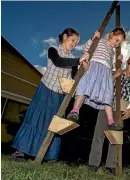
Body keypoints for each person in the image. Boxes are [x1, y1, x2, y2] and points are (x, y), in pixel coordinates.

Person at [11, 28, 89, 162]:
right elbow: (58, 62)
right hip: (46, 89)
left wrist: (84, 71)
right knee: (35, 119)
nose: (74, 43)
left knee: (53, 123)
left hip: (59, 96)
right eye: (73, 40)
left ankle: (49, 156)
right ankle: (20, 152)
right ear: (65, 36)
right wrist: (78, 60)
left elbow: (74, 78)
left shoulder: (72, 58)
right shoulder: (53, 50)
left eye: (76, 42)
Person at [88, 54, 130, 174]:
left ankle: (111, 166)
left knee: (115, 138)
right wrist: (115, 76)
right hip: (106, 107)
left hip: (120, 111)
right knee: (99, 135)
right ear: (128, 63)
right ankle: (93, 164)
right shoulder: (116, 72)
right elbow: (102, 83)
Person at [67, 28, 126, 130]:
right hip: (94, 66)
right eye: (117, 40)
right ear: (111, 34)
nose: (117, 44)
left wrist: (117, 61)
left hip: (106, 71)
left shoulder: (112, 52)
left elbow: (110, 65)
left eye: (119, 43)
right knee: (84, 86)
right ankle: (75, 111)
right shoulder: (100, 41)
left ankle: (111, 122)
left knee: (108, 94)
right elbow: (86, 49)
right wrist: (93, 38)